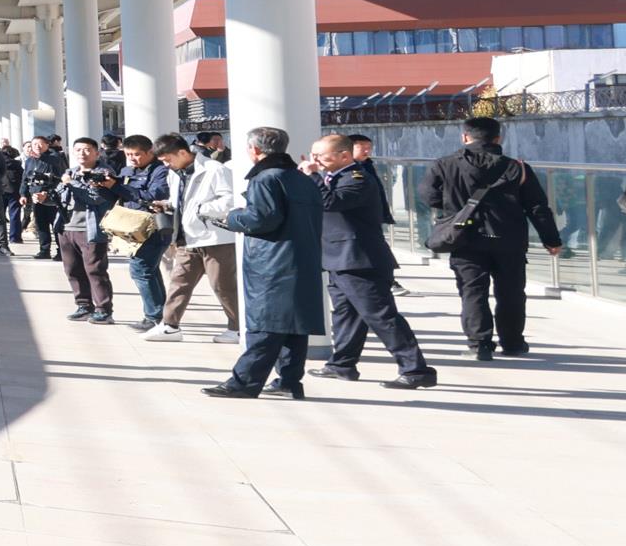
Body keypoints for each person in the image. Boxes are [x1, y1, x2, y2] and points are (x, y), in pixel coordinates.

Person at [421, 115, 566, 363]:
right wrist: (551, 239)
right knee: (511, 292)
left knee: (472, 292)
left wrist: (456, 207)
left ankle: (479, 345)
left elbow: (428, 196)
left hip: (464, 238)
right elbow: (537, 207)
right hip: (509, 239)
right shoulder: (517, 167)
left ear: (465, 137)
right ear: (498, 138)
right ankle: (512, 343)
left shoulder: (444, 164)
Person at [201, 126, 323, 399]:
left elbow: (261, 219)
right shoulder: (302, 178)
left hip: (272, 263)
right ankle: (289, 381)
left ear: (255, 149)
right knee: (293, 327)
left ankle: (243, 382)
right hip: (301, 258)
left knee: (265, 324)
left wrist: (233, 217)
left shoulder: (265, 179)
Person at [311, 132, 434, 390]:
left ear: (344, 156)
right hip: (338, 259)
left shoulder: (357, 178)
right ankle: (342, 364)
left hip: (360, 260)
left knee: (381, 316)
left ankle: (415, 369)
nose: (316, 161)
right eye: (314, 155)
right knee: (345, 315)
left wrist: (312, 177)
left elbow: (330, 202)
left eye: (321, 156)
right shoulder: (332, 177)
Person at [151, 132, 243, 340]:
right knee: (179, 283)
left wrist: (201, 209)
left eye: (168, 159)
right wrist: (167, 205)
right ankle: (169, 325)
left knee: (223, 285)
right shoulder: (175, 173)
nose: (166, 164)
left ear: (182, 153)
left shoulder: (215, 169)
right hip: (187, 237)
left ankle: (237, 328)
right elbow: (181, 200)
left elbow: (229, 200)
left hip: (215, 238)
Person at [54, 138, 123, 321]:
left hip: (90, 229)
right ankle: (83, 305)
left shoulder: (104, 174)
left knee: (95, 270)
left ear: (97, 153)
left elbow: (95, 198)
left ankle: (104, 310)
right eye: (78, 150)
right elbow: (61, 197)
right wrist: (46, 196)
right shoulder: (70, 172)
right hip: (66, 227)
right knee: (72, 270)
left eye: (87, 150)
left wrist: (71, 183)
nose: (82, 154)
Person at [113, 135, 169, 326]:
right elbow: (118, 195)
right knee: (149, 270)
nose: (132, 158)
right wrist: (106, 185)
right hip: (133, 227)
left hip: (153, 227)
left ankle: (154, 317)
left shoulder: (160, 171)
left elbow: (154, 195)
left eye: (137, 154)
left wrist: (118, 187)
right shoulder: (126, 170)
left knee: (141, 269)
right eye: (128, 154)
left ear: (149, 152)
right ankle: (161, 314)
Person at [22, 135, 68, 258]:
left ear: (47, 145)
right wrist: (23, 194)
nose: (37, 146)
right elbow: (25, 178)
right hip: (36, 198)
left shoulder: (54, 158)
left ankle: (61, 252)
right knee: (41, 225)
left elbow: (60, 179)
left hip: (52, 198)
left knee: (57, 225)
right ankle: (44, 250)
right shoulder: (29, 160)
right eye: (34, 144)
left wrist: (47, 193)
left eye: (40, 144)